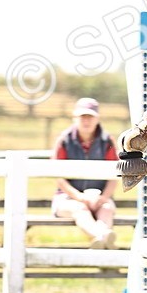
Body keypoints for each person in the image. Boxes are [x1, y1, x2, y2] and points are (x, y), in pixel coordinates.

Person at [52, 97, 119, 248]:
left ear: (97, 119)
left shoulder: (107, 141)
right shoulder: (64, 140)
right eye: (83, 117)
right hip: (67, 198)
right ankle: (103, 237)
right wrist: (79, 197)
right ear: (75, 118)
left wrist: (103, 198)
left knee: (107, 208)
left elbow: (114, 175)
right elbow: (58, 177)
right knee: (79, 209)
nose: (86, 121)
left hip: (99, 197)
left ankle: (99, 241)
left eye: (90, 117)